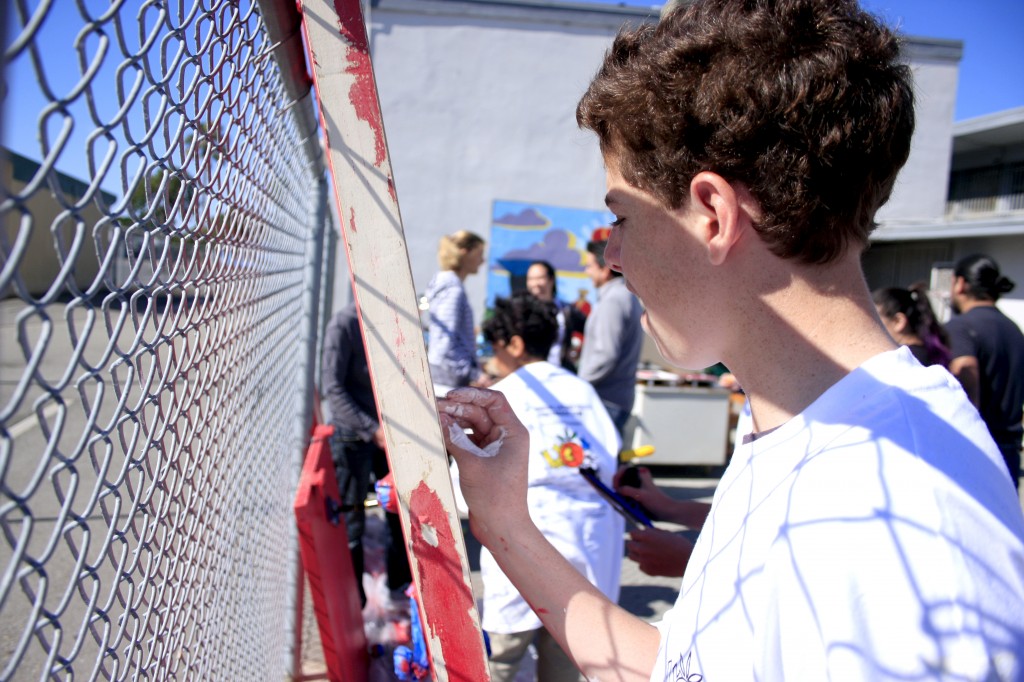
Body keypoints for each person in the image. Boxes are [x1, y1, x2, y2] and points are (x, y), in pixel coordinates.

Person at [436, 2, 1024, 680]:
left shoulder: (904, 539)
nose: (615, 255)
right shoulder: (792, 425)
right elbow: (682, 667)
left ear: (712, 214)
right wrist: (503, 521)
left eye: (621, 217)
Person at [452, 291, 623, 681]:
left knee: (499, 661)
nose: (491, 358)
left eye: (493, 346)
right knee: (567, 658)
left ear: (514, 344)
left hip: (525, 544)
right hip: (588, 547)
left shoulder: (502, 396)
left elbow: (464, 489)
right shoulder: (582, 391)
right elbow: (610, 462)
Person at [321, 302, 411, 606]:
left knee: (398, 509)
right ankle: (354, 604)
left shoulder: (394, 322)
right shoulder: (344, 324)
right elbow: (332, 387)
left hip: (385, 433)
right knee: (353, 517)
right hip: (353, 435)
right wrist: (371, 429)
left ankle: (400, 590)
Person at [946, 253, 1024, 490]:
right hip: (1009, 450)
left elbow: (966, 368)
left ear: (960, 284)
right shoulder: (1014, 330)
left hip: (977, 450)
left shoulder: (960, 327)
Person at [577, 227, 644, 435]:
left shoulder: (614, 300)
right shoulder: (621, 296)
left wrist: (578, 384)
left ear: (604, 270)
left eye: (589, 266)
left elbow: (606, 354)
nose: (587, 272)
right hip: (613, 399)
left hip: (606, 400)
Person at [425, 231, 493, 394]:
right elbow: (445, 339)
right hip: (447, 380)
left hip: (445, 376)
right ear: (465, 253)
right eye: (479, 254)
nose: (482, 261)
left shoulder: (447, 286)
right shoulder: (453, 290)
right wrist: (472, 372)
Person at [525, 260, 587, 372]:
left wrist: (578, 352)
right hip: (529, 374)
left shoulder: (566, 310)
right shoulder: (521, 311)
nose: (535, 283)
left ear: (551, 280)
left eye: (540, 278)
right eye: (531, 279)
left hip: (560, 374)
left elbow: (592, 330)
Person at [872, 285, 952, 367]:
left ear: (898, 321)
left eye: (875, 319)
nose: (871, 327)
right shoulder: (927, 353)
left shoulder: (902, 361)